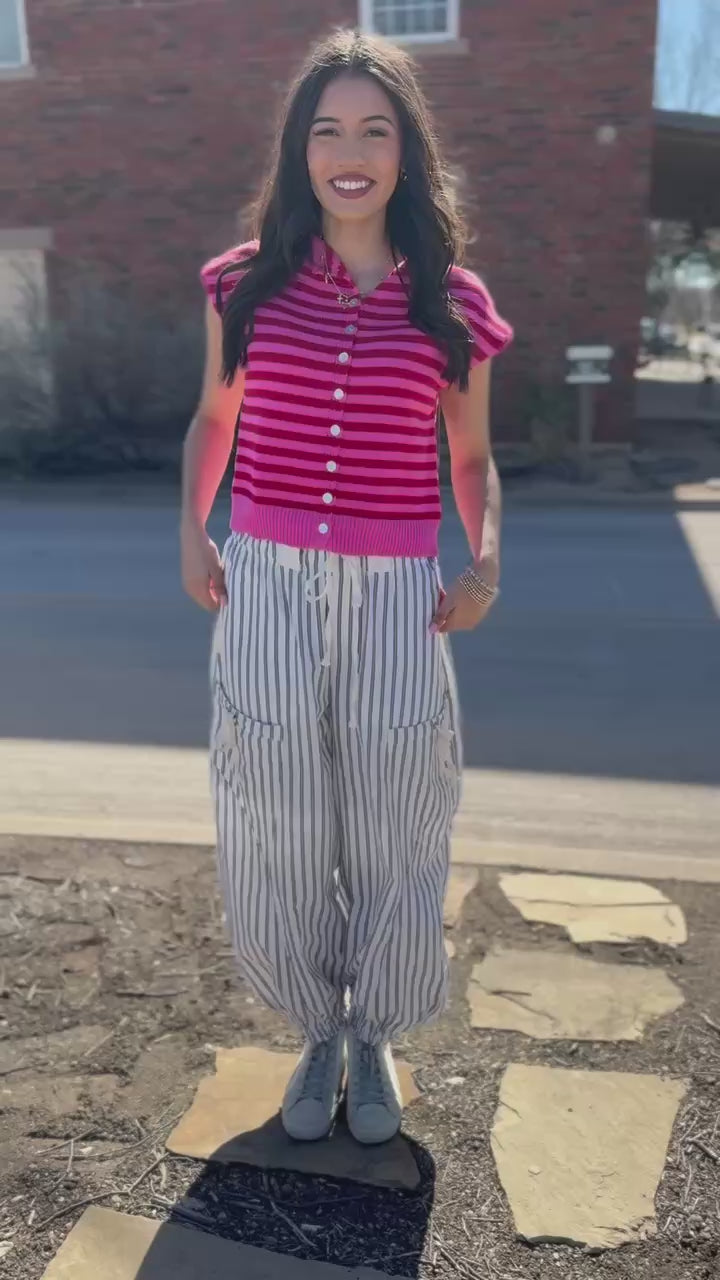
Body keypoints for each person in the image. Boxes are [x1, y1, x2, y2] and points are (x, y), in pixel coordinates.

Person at [180, 28, 512, 1146]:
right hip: (265, 579)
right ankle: (316, 1026)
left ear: (406, 152)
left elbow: (469, 456)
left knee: (395, 817)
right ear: (300, 151)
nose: (350, 150)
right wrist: (194, 526)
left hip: (396, 587)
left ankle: (377, 1033)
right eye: (328, 130)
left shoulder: (452, 300)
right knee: (272, 811)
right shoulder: (243, 281)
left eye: (376, 128)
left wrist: (486, 554)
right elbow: (214, 417)